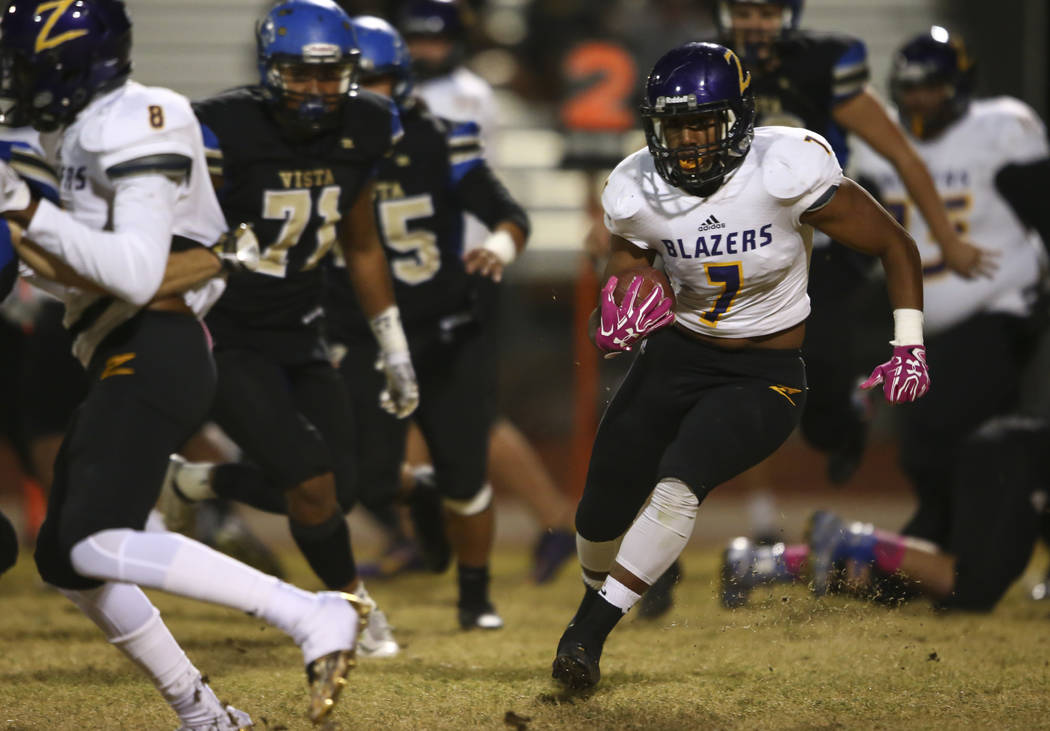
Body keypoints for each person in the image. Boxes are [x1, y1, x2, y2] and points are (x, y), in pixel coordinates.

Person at [0, 0, 366, 725]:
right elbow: (65, 266)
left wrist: (23, 207)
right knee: (68, 563)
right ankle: (203, 713)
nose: (19, 80)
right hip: (113, 348)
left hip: (158, 344)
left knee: (94, 539)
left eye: (30, 65)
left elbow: (136, 273)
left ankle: (310, 610)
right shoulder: (71, 134)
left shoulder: (142, 114)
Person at [549, 41, 928, 691]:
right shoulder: (636, 188)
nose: (690, 141)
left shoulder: (786, 169)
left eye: (703, 123)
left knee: (679, 481)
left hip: (766, 373)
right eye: (675, 126)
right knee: (599, 510)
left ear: (740, 121)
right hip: (677, 353)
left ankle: (585, 634)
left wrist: (909, 341)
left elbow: (894, 242)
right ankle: (622, 582)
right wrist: (614, 315)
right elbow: (623, 286)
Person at [642, 0, 1000, 619]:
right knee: (672, 396)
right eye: (743, 10)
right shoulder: (700, 72)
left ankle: (845, 416)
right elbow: (654, 171)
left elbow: (903, 156)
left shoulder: (823, 65)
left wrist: (944, 239)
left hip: (819, 253)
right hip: (723, 251)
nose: (754, 23)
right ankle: (656, 566)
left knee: (820, 405)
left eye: (766, 10)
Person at [721, 27, 1050, 612]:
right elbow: (852, 231)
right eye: (910, 89)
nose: (919, 101)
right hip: (924, 325)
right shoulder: (871, 146)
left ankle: (934, 553)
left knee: (978, 449)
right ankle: (825, 557)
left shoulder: (1002, 128)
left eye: (932, 88)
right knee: (935, 459)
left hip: (998, 307)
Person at [155, 0, 418, 659]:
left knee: (340, 487)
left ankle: (198, 483)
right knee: (308, 480)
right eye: (301, 74)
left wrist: (394, 347)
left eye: (331, 75)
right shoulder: (220, 127)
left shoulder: (367, 123)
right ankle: (353, 609)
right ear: (271, 70)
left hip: (302, 327)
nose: (317, 89)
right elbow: (167, 233)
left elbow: (361, 243)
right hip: (225, 329)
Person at [321, 15, 528, 628]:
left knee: (467, 476)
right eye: (353, 80)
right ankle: (422, 495)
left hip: (443, 328)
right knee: (366, 481)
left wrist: (500, 247)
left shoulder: (440, 136)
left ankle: (475, 595)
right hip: (363, 333)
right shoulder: (313, 149)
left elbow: (508, 213)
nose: (364, 93)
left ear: (402, 80)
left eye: (376, 79)